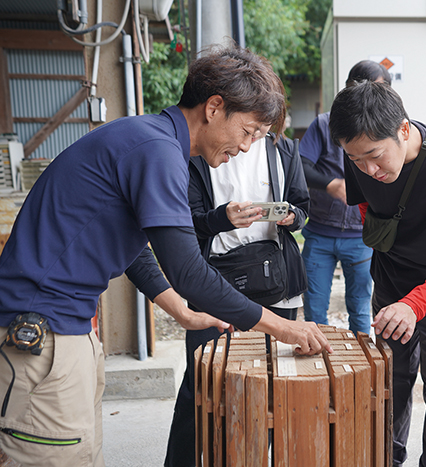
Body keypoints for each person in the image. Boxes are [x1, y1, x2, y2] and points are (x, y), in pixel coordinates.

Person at [0, 43, 330, 467]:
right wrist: (283, 328)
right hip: (42, 333)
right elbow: (189, 271)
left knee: (79, 455)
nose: (247, 147)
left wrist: (182, 312)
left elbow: (135, 252)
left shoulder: (151, 140)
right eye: (248, 132)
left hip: (67, 329)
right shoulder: (156, 150)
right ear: (214, 107)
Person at [329, 81, 426, 467]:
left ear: (403, 128)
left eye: (375, 156)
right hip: (390, 281)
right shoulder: (358, 152)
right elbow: (367, 207)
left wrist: (413, 306)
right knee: (389, 384)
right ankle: (387, 459)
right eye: (357, 160)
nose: (369, 169)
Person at [164, 133, 309, 466]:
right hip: (214, 281)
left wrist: (292, 217)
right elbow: (188, 222)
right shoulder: (200, 150)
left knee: (272, 385)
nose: (253, 134)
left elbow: (303, 207)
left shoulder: (284, 147)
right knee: (200, 383)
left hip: (276, 280)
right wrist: (223, 218)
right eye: (251, 123)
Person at [299, 60, 391, 334]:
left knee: (361, 308)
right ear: (349, 88)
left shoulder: (389, 130)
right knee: (314, 308)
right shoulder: (323, 124)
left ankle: (359, 358)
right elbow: (300, 166)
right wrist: (330, 184)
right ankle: (318, 358)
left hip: (362, 237)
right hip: (319, 233)